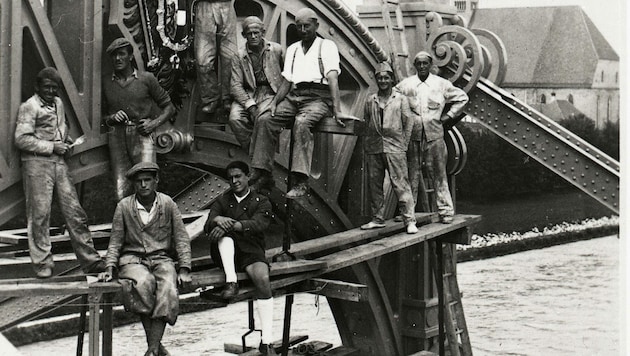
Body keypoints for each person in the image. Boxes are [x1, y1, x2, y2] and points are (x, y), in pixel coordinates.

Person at [15, 67, 105, 278]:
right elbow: (21, 139)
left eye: (54, 88)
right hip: (36, 164)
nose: (51, 91)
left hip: (58, 163)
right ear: (37, 87)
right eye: (47, 87)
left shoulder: (58, 103)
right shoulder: (29, 106)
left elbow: (61, 129)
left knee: (75, 212)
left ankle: (90, 261)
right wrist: (52, 146)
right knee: (39, 215)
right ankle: (43, 265)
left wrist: (65, 142)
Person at [99, 162, 192, 356]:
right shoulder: (124, 206)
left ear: (156, 181)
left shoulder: (167, 204)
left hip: (161, 258)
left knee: (167, 284)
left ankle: (152, 348)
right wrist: (109, 267)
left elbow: (181, 237)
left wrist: (184, 268)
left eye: (147, 180)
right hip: (132, 260)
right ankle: (156, 347)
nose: (143, 185)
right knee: (143, 283)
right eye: (139, 181)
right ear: (134, 184)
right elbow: (115, 241)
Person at [253, 8, 348, 198]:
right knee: (265, 119)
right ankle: (263, 173)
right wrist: (275, 103)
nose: (303, 30)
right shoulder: (294, 49)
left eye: (307, 26)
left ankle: (300, 181)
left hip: (318, 97)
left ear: (316, 26)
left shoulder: (326, 46)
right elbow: (287, 81)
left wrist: (337, 110)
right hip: (295, 96)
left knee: (302, 123)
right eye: (299, 26)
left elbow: (332, 79)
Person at [204, 161, 277, 356]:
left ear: (247, 176)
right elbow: (209, 222)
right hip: (225, 253)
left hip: (251, 249)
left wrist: (229, 224)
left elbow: (258, 224)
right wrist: (217, 220)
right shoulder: (222, 199)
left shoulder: (261, 201)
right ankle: (231, 282)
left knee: (262, 279)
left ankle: (267, 341)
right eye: (231, 178)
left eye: (238, 176)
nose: (234, 181)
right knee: (224, 238)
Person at [395, 51, 469, 223]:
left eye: (425, 63)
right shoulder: (406, 85)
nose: (422, 67)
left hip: (434, 135)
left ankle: (446, 212)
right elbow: (392, 98)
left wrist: (448, 116)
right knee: (410, 174)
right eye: (418, 63)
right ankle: (408, 213)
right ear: (415, 65)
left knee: (438, 173)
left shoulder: (441, 84)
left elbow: (463, 98)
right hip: (412, 136)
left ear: (430, 65)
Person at [102, 37, 176, 201]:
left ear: (130, 56)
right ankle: (128, 224)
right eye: (114, 56)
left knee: (147, 184)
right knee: (121, 187)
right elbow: (101, 117)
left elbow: (169, 108)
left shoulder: (146, 79)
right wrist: (111, 117)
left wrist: (153, 124)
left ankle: (152, 224)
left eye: (121, 54)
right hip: (117, 136)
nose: (118, 59)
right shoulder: (106, 82)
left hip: (142, 134)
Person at [228, 16, 293, 192]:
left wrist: (281, 97)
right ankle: (263, 165)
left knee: (262, 119)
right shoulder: (239, 56)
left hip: (271, 93)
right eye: (249, 33)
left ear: (263, 33)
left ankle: (260, 169)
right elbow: (235, 85)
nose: (253, 36)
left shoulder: (277, 50)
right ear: (244, 35)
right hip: (250, 93)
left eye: (257, 32)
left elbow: (289, 76)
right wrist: (249, 105)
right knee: (235, 118)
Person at [361, 62, 418, 234]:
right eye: (380, 78)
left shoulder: (401, 99)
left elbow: (409, 122)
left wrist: (404, 144)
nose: (383, 81)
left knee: (401, 184)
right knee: (375, 185)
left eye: (386, 77)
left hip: (395, 147)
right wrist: (367, 144)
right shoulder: (371, 99)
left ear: (392, 79)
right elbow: (366, 122)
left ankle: (410, 220)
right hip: (374, 147)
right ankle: (377, 218)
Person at [194, 0, 238, 115]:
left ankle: (228, 97)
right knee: (202, 59)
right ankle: (210, 98)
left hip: (226, 6)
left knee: (230, 57)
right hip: (205, 7)